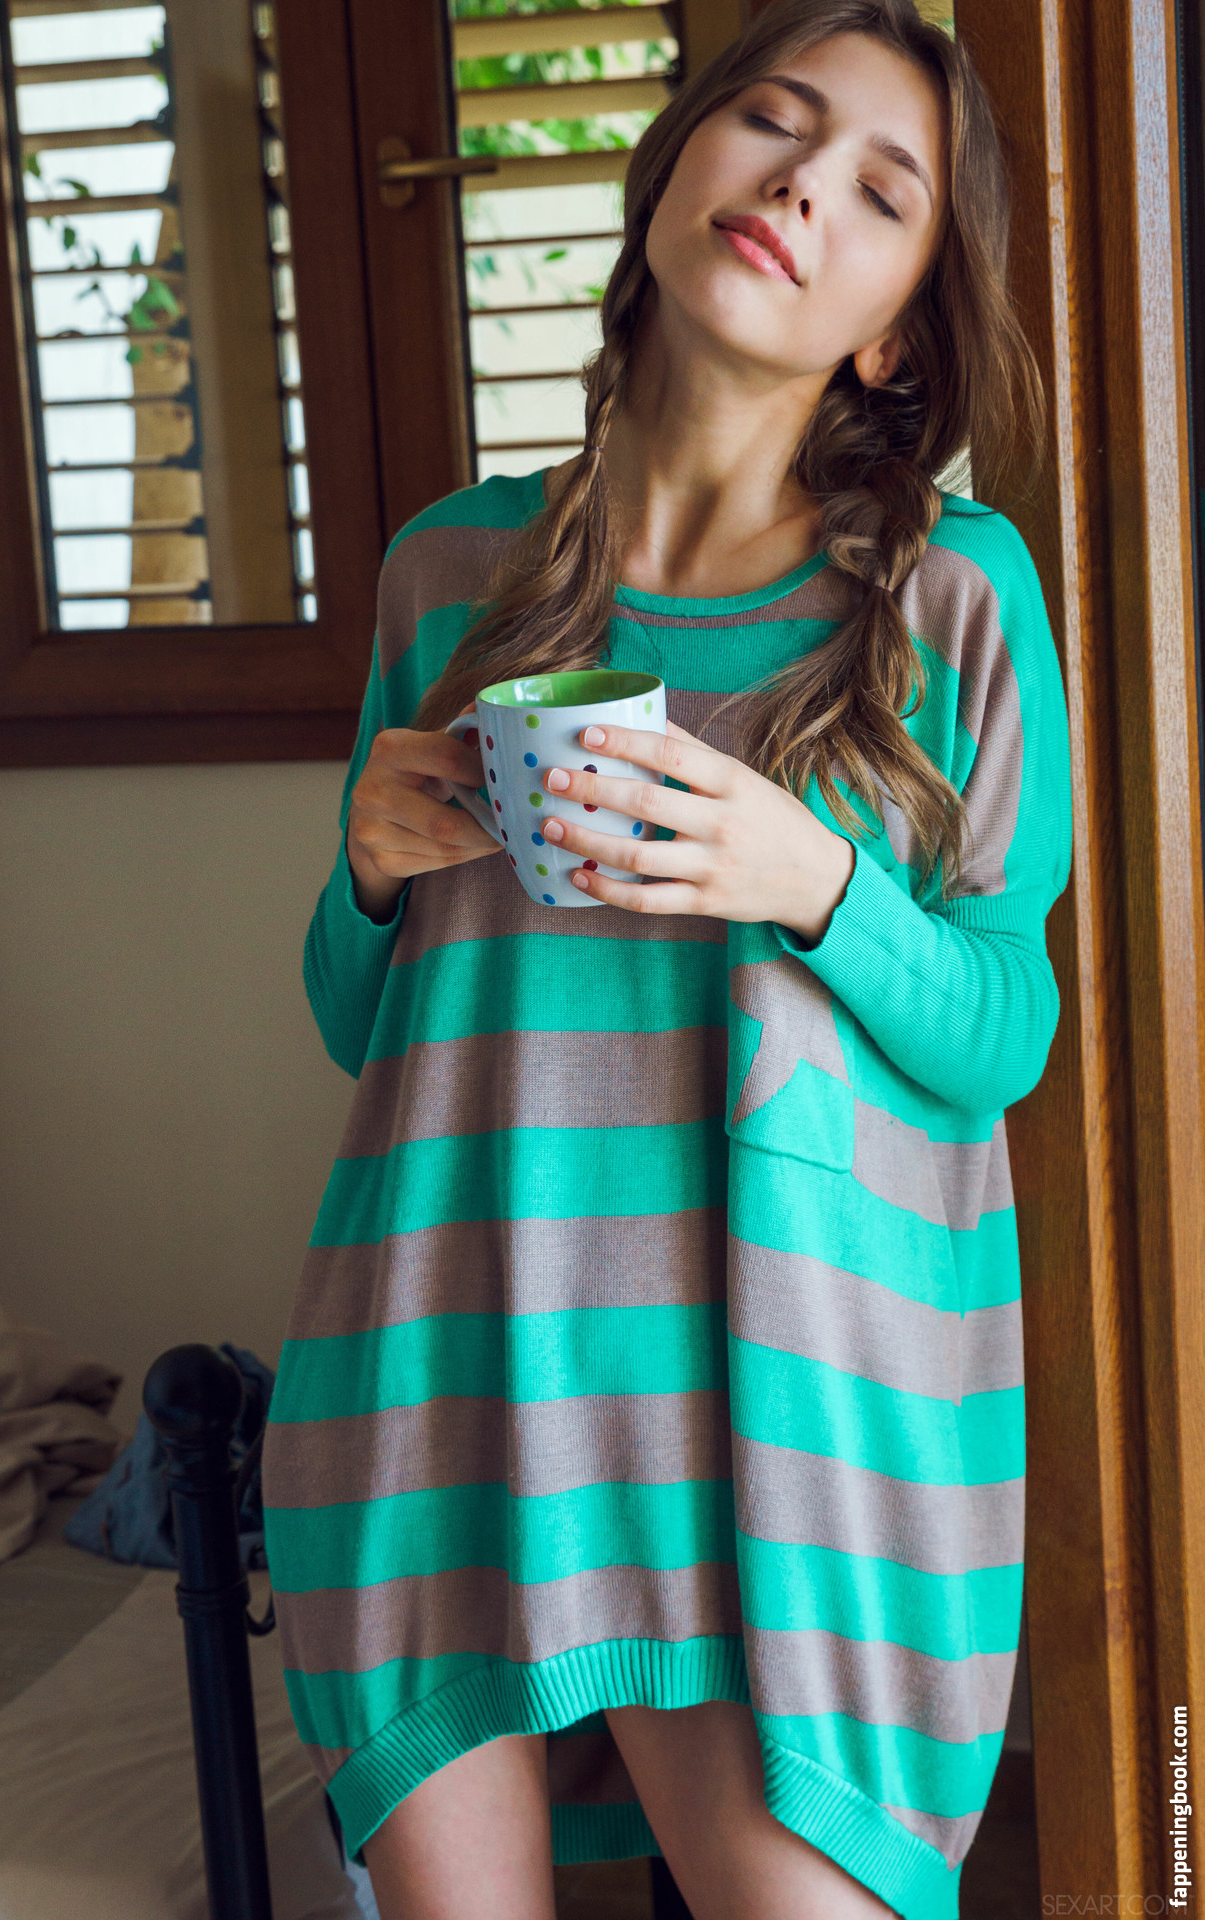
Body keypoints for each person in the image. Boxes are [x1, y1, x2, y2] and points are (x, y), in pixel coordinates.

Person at [260, 1, 1073, 1915]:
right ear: (674, 166)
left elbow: (1004, 1030)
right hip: (446, 1381)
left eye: (878, 190)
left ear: (894, 331)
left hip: (776, 1441)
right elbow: (369, 1031)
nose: (800, 183)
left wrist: (814, 881)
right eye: (770, 123)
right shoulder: (445, 573)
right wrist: (364, 874)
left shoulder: (951, 594)